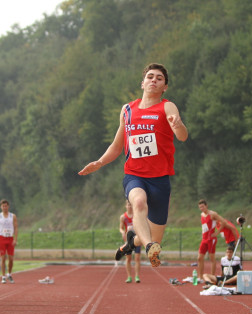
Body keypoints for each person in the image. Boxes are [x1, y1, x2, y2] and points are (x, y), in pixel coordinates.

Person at [78, 63, 188, 268]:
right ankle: (148, 246)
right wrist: (100, 162)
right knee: (138, 203)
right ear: (142, 83)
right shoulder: (127, 110)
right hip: (134, 175)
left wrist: (178, 125)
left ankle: (132, 242)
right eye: (150, 77)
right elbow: (117, 146)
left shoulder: (167, 107)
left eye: (159, 78)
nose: (154, 80)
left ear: (164, 87)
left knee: (155, 236)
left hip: (160, 179)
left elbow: (182, 136)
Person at [197, 199, 234, 277]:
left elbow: (223, 222)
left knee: (212, 258)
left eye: (203, 207)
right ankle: (200, 276)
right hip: (204, 239)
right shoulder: (202, 214)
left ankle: (212, 276)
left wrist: (217, 232)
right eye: (200, 207)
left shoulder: (212, 214)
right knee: (199, 258)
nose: (202, 209)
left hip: (211, 239)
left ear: (206, 206)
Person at [0, 199, 18, 284]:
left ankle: (9, 274)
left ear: (8, 206)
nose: (5, 207)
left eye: (6, 206)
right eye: (3, 206)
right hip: (1, 238)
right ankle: (3, 276)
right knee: (3, 258)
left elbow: (16, 227)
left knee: (11, 259)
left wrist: (15, 239)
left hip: (10, 238)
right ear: (1, 207)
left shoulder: (13, 216)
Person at [119, 201, 141, 283]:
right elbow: (121, 228)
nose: (130, 207)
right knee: (128, 259)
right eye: (128, 205)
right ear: (126, 206)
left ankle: (137, 276)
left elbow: (141, 226)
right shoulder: (123, 217)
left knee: (137, 258)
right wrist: (122, 233)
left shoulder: (136, 216)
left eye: (131, 205)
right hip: (128, 241)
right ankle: (129, 277)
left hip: (137, 240)